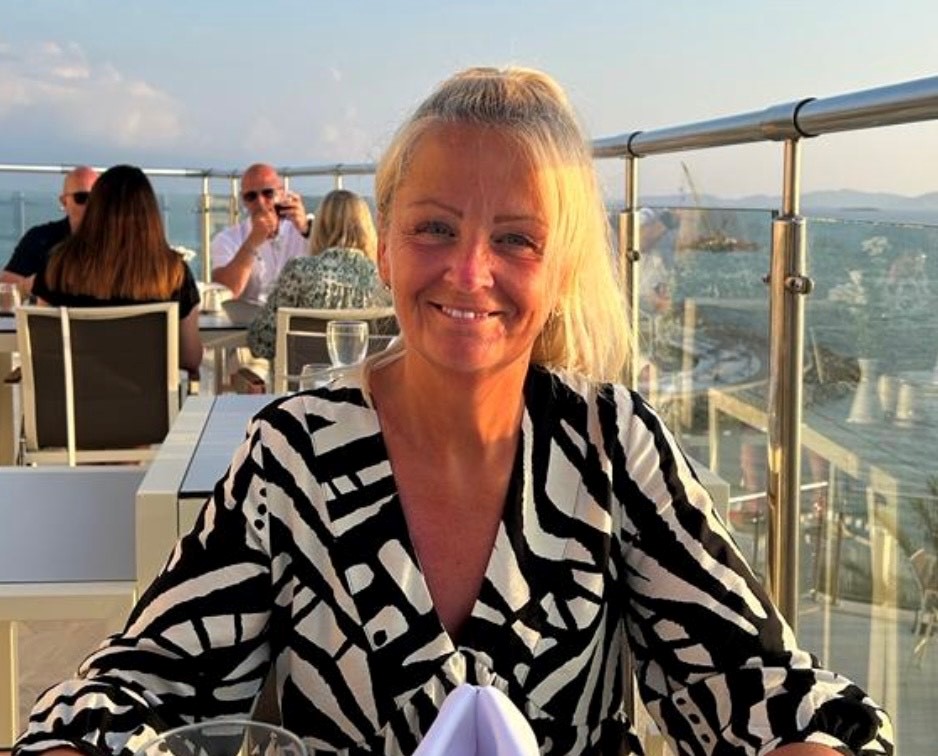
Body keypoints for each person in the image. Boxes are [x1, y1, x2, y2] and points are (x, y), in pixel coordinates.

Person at [14, 68, 892, 756]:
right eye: (435, 228)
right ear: (385, 247)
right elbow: (143, 685)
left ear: (558, 274)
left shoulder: (613, 445)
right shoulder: (293, 453)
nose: (470, 272)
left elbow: (755, 683)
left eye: (515, 239)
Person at [31, 164, 202, 376]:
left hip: (73, 406)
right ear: (150, 215)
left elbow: (41, 348)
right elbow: (190, 358)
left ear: (95, 209)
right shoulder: (173, 273)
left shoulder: (58, 267)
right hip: (149, 406)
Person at [246, 188, 390, 359]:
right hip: (365, 383)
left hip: (305, 383)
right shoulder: (384, 279)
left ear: (319, 227)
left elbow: (261, 344)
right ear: (367, 229)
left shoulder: (299, 273)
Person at [210, 162, 312, 302]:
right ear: (244, 201)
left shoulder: (304, 230)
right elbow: (225, 293)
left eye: (268, 193)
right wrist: (252, 243)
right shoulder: (227, 239)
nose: (260, 202)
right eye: (251, 196)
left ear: (282, 193)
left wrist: (306, 230)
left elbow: (337, 265)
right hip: (249, 321)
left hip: (297, 317)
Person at [0, 165, 98, 297]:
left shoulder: (120, 243)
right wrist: (30, 286)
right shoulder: (40, 239)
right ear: (64, 202)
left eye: (98, 199)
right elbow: (5, 289)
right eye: (82, 198)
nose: (91, 205)